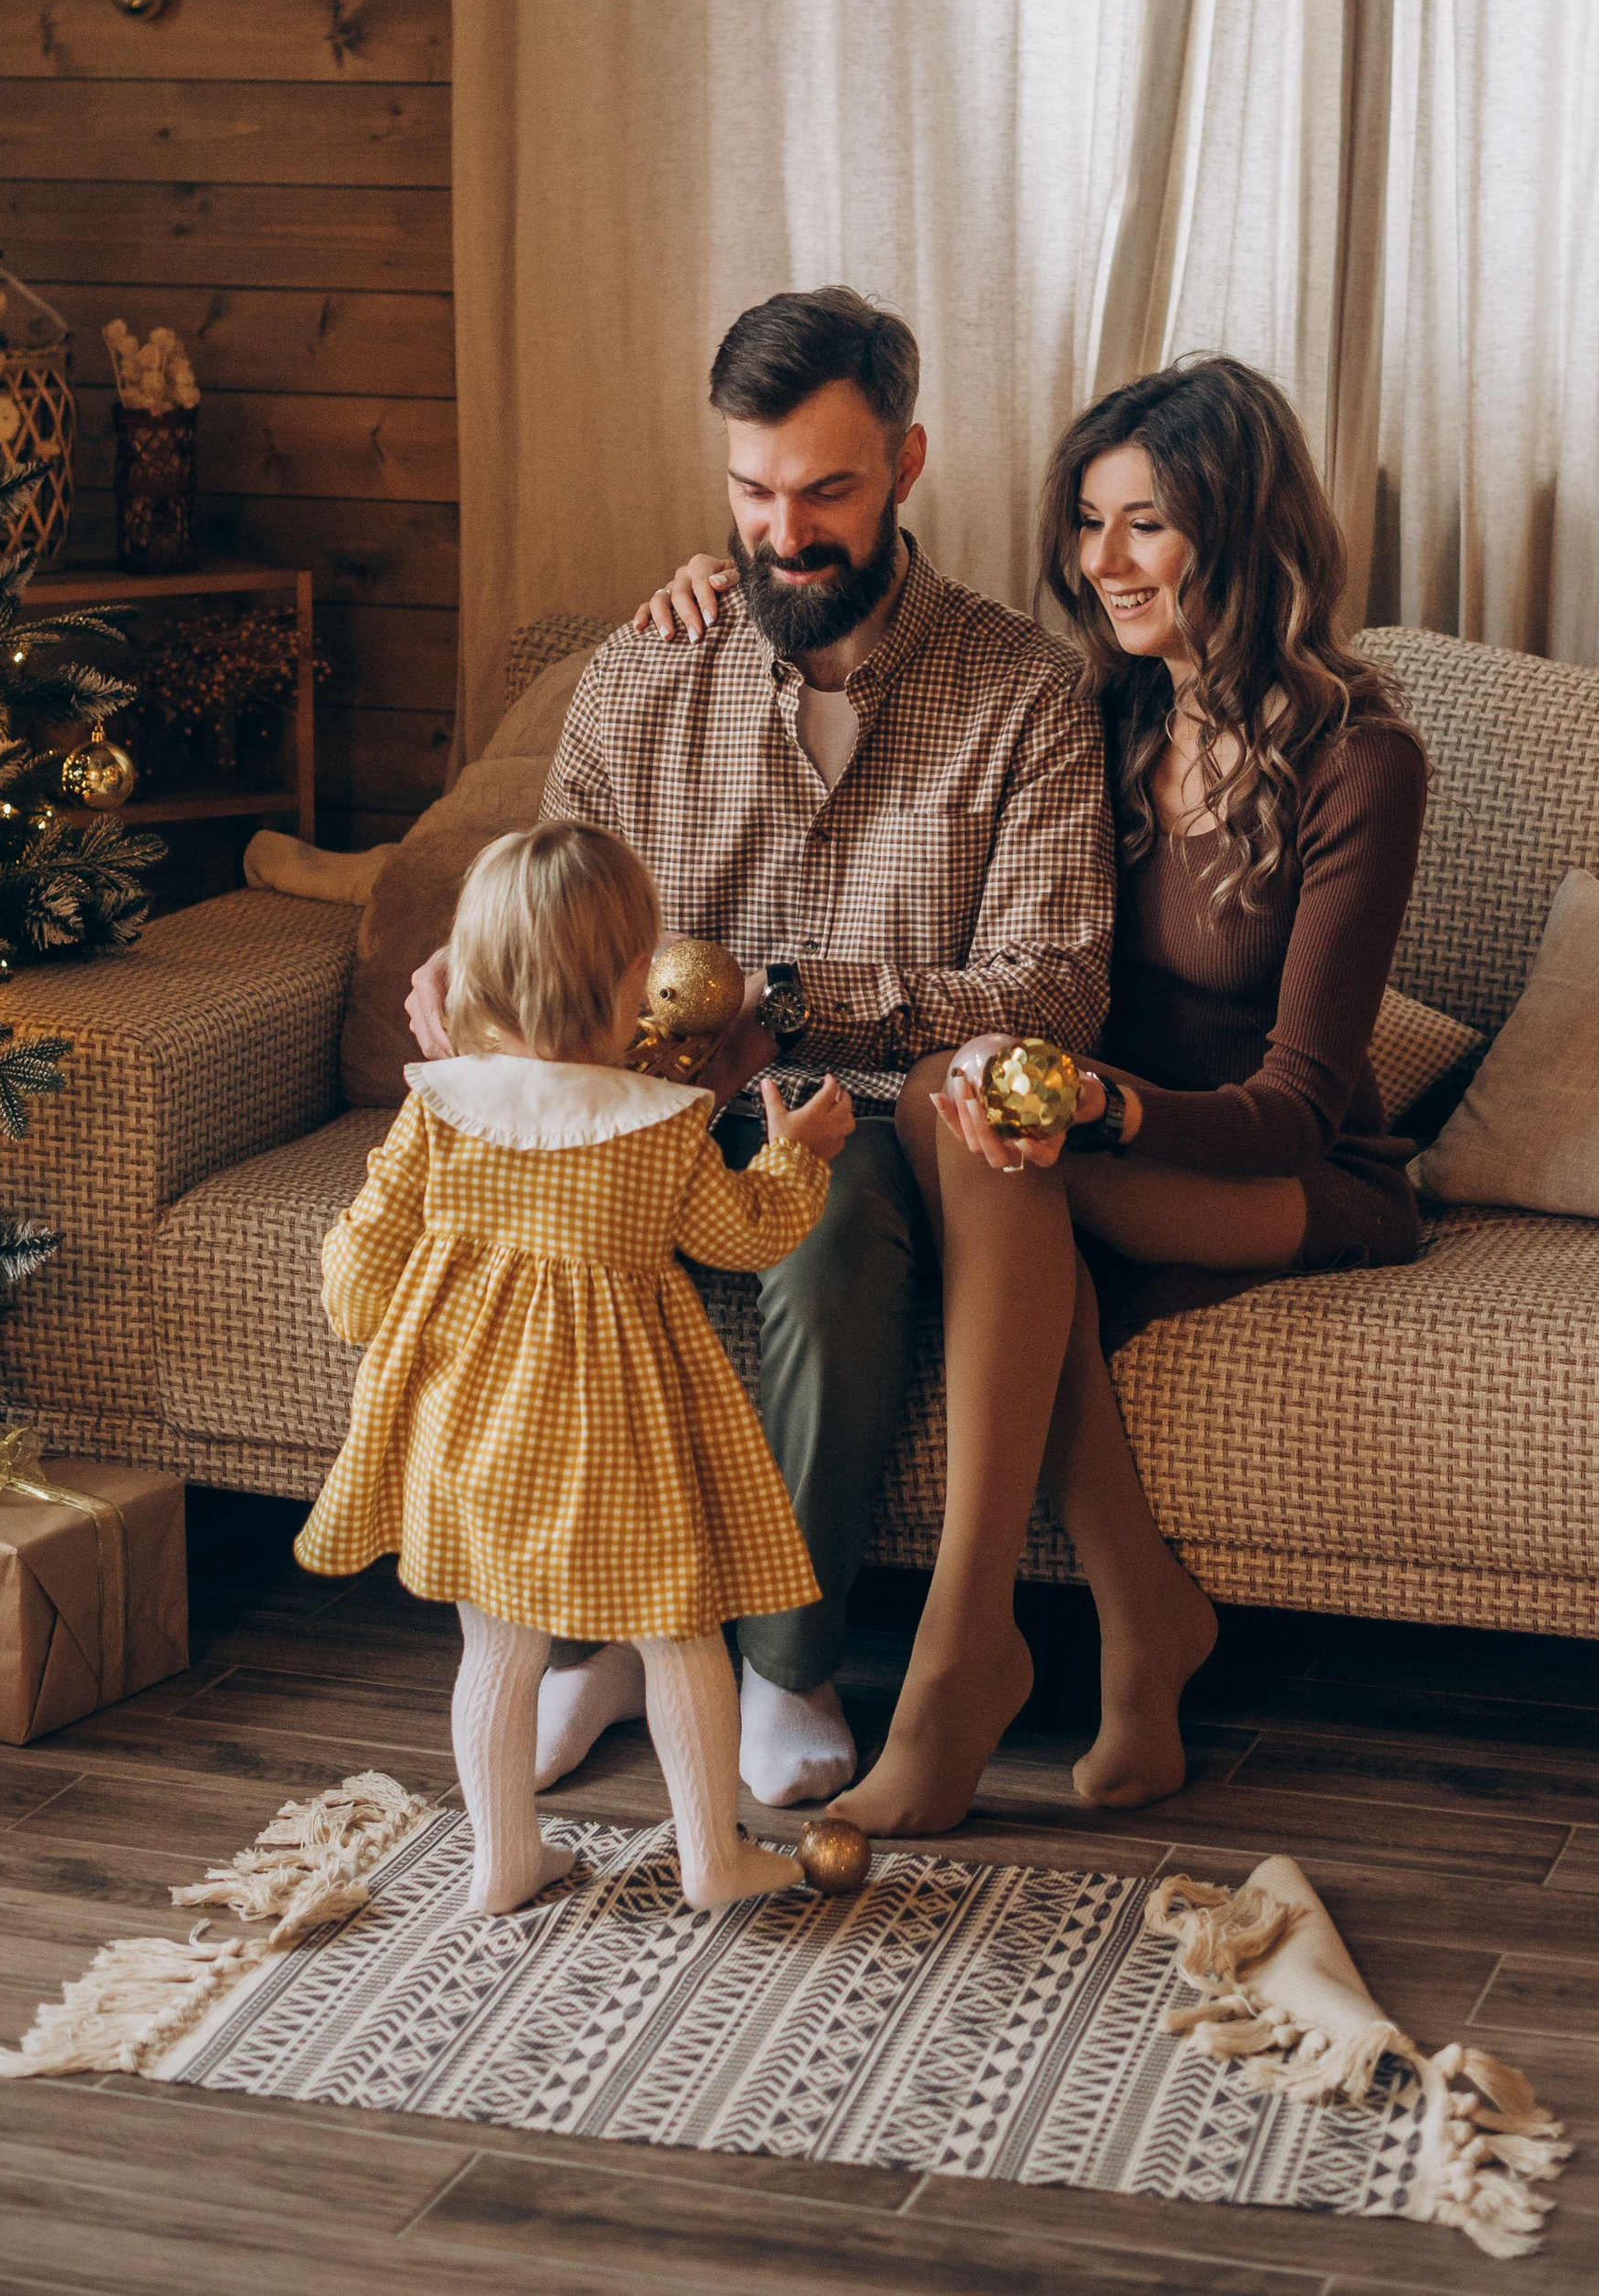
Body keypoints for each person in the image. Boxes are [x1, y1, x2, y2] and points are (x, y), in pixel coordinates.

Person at [641, 357, 1428, 1839]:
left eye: (1146, 524)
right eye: (1087, 521)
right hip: (1055, 1134)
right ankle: (1142, 1618)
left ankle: (960, 1663)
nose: (1100, 562)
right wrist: (716, 584)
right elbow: (839, 633)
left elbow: (1300, 1102)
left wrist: (1100, 1107)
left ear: (1243, 533)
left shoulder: (1362, 759)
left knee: (970, 1110)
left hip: (1286, 1173)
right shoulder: (1099, 712)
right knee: (978, 1136)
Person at [406, 287, 1116, 1810]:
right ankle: (594, 1635)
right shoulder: (641, 671)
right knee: (549, 1226)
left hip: (864, 1121)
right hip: (637, 1109)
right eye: (751, 489)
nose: (782, 531)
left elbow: (1051, 995)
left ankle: (784, 1663)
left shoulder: (1026, 691)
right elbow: (551, 912)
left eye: (825, 491)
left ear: (908, 461)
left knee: (827, 1226)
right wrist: (471, 976)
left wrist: (786, 997)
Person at [297, 819, 854, 1915]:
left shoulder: (441, 1109)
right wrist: (799, 1160)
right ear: (626, 982)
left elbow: (364, 1259)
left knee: (498, 1651)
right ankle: (713, 1858)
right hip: (626, 1434)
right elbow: (741, 1237)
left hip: (472, 1431)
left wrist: (363, 1307)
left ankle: (503, 1858)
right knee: (682, 1638)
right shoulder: (658, 1124)